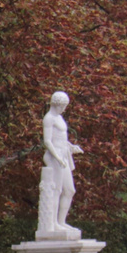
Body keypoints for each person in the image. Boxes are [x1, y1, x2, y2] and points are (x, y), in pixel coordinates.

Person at [39, 90, 83, 237]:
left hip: (63, 155)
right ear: (58, 104)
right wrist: (57, 157)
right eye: (64, 105)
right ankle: (54, 223)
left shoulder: (58, 117)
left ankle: (61, 222)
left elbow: (60, 138)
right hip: (55, 157)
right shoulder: (49, 118)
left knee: (69, 190)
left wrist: (70, 147)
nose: (65, 108)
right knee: (56, 190)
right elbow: (47, 141)